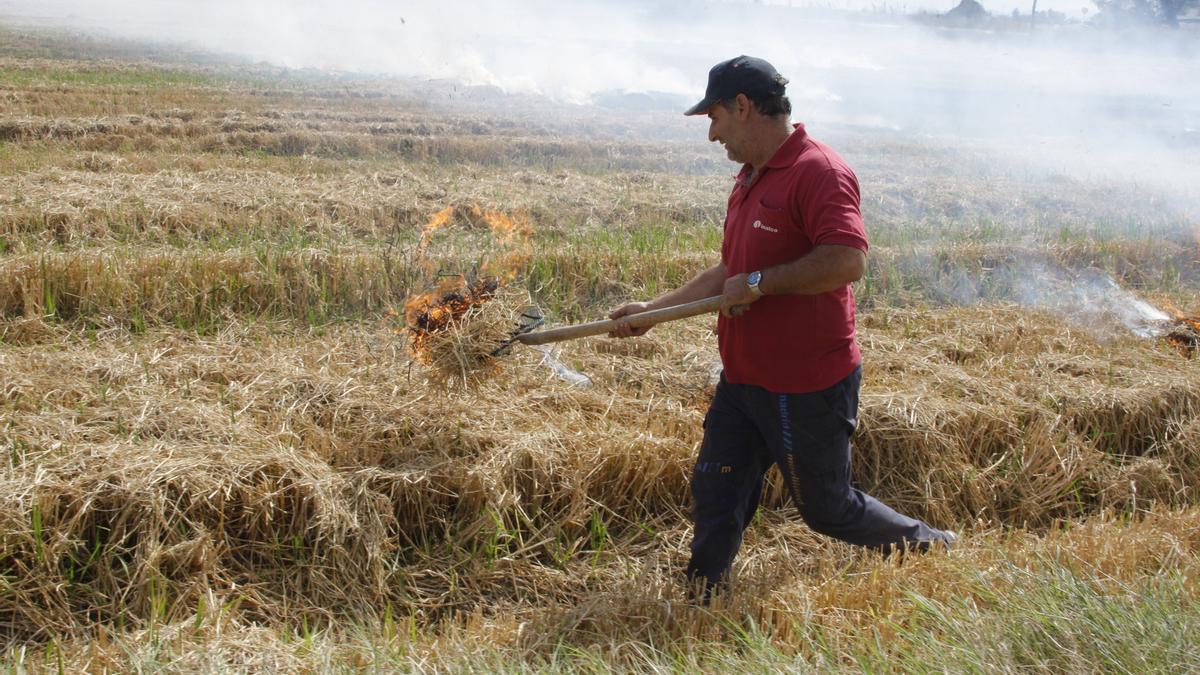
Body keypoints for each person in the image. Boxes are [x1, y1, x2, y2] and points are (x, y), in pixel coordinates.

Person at [608, 55, 955, 602]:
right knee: (717, 484)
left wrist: (763, 282)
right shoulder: (749, 177)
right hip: (745, 376)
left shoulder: (819, 172)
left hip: (805, 383)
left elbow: (846, 261)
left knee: (828, 509)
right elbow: (730, 272)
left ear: (743, 107)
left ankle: (933, 546)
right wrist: (652, 310)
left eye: (714, 118)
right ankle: (704, 594)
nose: (712, 134)